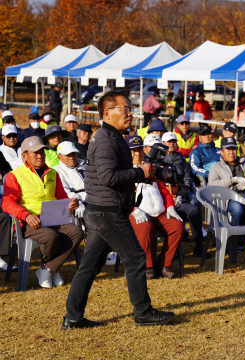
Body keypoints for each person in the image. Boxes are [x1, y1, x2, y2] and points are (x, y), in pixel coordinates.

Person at [64, 91, 174, 330]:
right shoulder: (106, 139)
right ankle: (143, 313)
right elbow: (108, 177)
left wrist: (143, 175)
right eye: (124, 109)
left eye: (130, 109)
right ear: (107, 112)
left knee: (90, 267)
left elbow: (113, 176)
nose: (130, 113)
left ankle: (72, 318)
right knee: (136, 258)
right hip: (107, 211)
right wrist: (139, 173)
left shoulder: (113, 137)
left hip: (101, 210)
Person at [2, 136, 83, 288]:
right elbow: (7, 202)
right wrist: (26, 215)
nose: (40, 155)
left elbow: (62, 197)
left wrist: (71, 204)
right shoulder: (15, 176)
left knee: (77, 232)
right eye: (35, 153)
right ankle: (52, 268)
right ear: (24, 155)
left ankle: (49, 268)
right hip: (28, 222)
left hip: (53, 219)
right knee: (50, 236)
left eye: (42, 152)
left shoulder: (53, 173)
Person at [130, 134, 185, 279]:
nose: (137, 153)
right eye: (133, 151)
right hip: (137, 213)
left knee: (177, 226)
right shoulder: (125, 171)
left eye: (139, 150)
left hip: (160, 213)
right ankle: (147, 266)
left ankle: (163, 264)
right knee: (145, 227)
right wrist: (133, 209)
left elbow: (164, 192)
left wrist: (170, 207)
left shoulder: (151, 168)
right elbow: (121, 196)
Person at [161, 132, 206, 257]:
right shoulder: (160, 159)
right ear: (163, 143)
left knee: (195, 210)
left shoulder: (180, 157)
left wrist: (183, 192)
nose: (171, 144)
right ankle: (173, 249)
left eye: (173, 142)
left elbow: (187, 175)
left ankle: (198, 243)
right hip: (165, 195)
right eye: (169, 142)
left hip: (182, 192)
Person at [208, 137, 245, 251]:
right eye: (228, 149)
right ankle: (234, 243)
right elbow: (212, 185)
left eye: (233, 149)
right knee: (238, 210)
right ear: (221, 151)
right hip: (229, 199)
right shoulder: (216, 167)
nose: (231, 152)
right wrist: (232, 180)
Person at [53, 142, 86, 219]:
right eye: (67, 155)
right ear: (59, 157)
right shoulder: (57, 170)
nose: (71, 157)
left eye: (73, 154)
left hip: (94, 201)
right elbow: (65, 192)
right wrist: (78, 203)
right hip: (77, 204)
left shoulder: (86, 166)